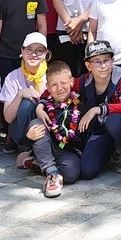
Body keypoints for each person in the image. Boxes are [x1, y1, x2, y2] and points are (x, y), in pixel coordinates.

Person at [75, 39, 121, 180]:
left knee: (113, 122)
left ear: (112, 61)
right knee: (87, 171)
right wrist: (41, 103)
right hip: (100, 130)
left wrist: (98, 109)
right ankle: (109, 150)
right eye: (97, 62)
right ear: (88, 65)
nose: (103, 66)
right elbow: (63, 85)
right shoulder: (84, 80)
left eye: (106, 60)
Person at [26, 60, 83, 197]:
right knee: (36, 124)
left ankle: (37, 163)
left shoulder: (81, 102)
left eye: (63, 83)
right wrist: (28, 137)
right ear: (48, 87)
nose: (59, 88)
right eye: (54, 85)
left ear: (72, 81)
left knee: (71, 173)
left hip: (68, 151)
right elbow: (34, 136)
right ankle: (52, 173)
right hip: (49, 145)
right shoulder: (46, 105)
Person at [0, 34, 50, 169]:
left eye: (39, 50)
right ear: (22, 51)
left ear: (45, 54)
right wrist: (20, 94)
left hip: (45, 124)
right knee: (28, 102)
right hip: (21, 130)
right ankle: (26, 147)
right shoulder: (13, 77)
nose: (33, 54)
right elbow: (8, 118)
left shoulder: (51, 75)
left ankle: (37, 151)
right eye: (29, 49)